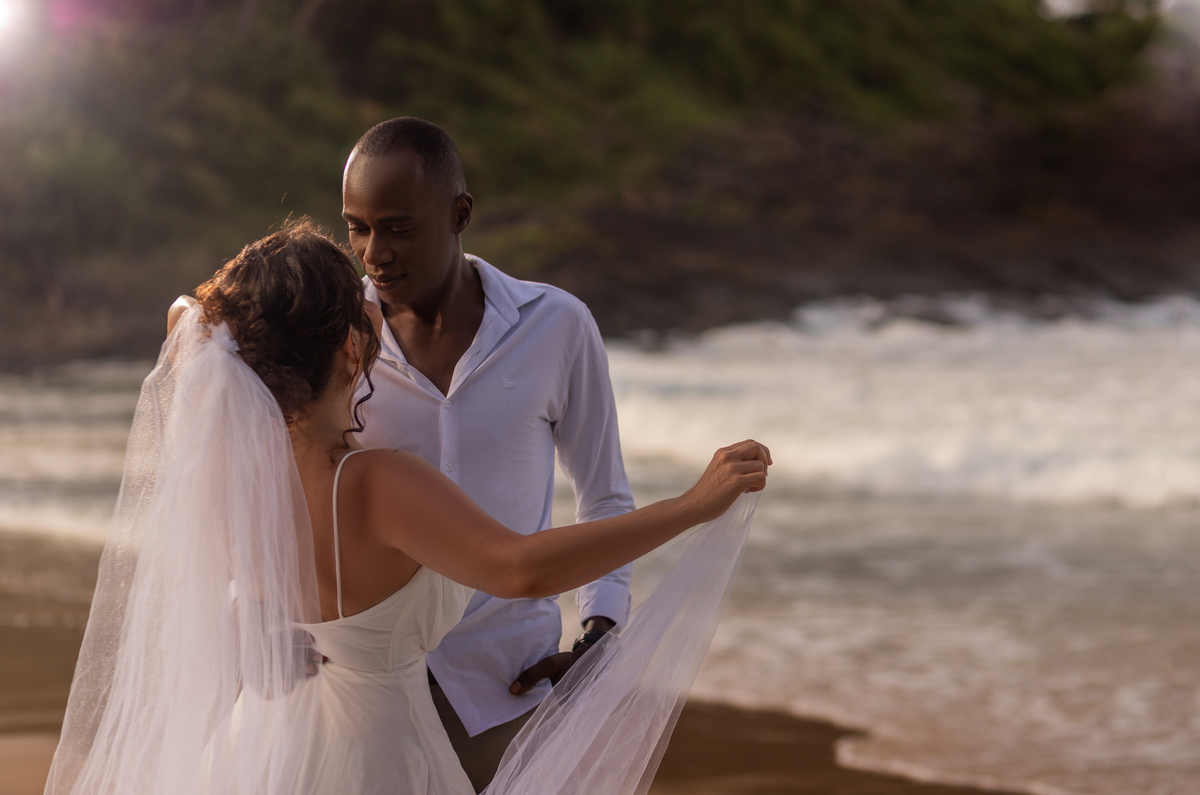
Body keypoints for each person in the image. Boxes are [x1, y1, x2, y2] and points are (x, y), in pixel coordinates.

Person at [44, 221, 769, 795]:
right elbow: (519, 569)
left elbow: (189, 324)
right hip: (383, 752)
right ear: (351, 353)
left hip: (273, 736)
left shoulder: (231, 480)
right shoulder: (376, 484)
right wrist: (690, 506)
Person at [339, 117, 634, 790]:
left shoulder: (557, 325)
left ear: (460, 213)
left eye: (398, 226)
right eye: (357, 226)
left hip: (510, 682)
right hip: (371, 686)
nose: (373, 253)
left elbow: (604, 496)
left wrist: (601, 629)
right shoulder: (334, 334)